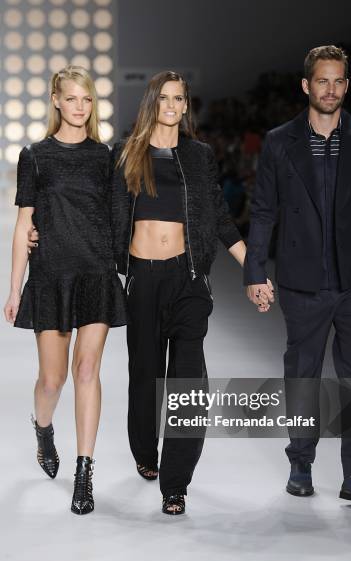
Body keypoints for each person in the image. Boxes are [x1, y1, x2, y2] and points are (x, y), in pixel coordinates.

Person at [244, 46, 351, 506]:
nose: (330, 89)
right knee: (303, 373)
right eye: (322, 81)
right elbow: (265, 209)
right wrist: (256, 270)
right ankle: (301, 462)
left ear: (346, 87)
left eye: (338, 82)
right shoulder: (279, 141)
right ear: (306, 85)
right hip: (301, 278)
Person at [111, 71, 249, 515]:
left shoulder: (199, 156)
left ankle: (176, 484)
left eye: (179, 99)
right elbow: (102, 216)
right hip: (143, 279)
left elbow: (220, 217)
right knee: (145, 376)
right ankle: (145, 454)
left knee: (189, 384)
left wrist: (255, 268)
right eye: (164, 98)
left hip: (188, 278)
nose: (171, 106)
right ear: (152, 102)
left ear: (187, 105)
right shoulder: (126, 154)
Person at [3, 66, 127, 515]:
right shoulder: (35, 157)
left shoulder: (105, 157)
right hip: (52, 274)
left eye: (87, 100)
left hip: (96, 272)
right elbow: (23, 224)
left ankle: (84, 471)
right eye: (72, 98)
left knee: (88, 370)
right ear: (56, 100)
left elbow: (118, 215)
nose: (80, 107)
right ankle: (43, 428)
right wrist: (14, 287)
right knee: (51, 380)